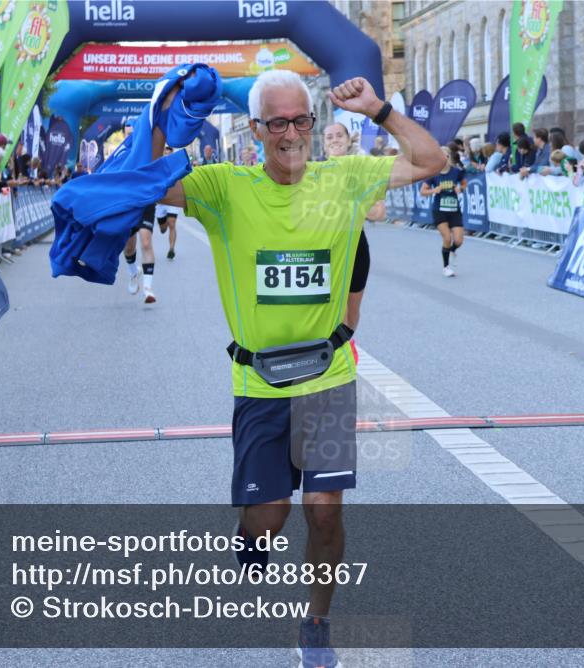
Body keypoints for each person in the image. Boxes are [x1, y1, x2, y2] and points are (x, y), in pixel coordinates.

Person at [153, 69, 443, 667]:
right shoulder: (222, 187)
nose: (292, 134)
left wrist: (379, 110)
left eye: (301, 120)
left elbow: (431, 158)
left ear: (313, 122)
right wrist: (168, 121)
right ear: (256, 129)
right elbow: (145, 179)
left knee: (325, 510)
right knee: (269, 517)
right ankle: (252, 535)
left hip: (328, 377)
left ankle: (316, 621)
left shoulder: (346, 178)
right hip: (258, 381)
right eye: (278, 122)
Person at [323, 123, 375, 332]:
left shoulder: (360, 172)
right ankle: (341, 357)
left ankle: (346, 344)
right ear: (324, 145)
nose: (334, 140)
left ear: (347, 140)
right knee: (337, 314)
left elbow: (378, 214)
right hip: (327, 250)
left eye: (339, 135)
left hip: (356, 248)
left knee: (352, 316)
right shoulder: (313, 173)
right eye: (329, 137)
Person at [420, 144, 467, 277]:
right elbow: (422, 191)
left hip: (454, 210)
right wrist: (434, 190)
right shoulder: (433, 173)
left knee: (458, 241)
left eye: (445, 156)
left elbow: (464, 183)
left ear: (448, 157)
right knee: (447, 238)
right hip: (439, 210)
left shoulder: (456, 171)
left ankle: (452, 250)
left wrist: (460, 189)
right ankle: (446, 267)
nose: (443, 159)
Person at [122, 204, 158, 303]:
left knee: (146, 243)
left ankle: (147, 288)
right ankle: (134, 272)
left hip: (147, 202)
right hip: (128, 204)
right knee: (129, 248)